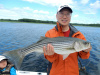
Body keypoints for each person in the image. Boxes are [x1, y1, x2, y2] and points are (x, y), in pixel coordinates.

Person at [43, 5, 92, 75]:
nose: (64, 17)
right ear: (56, 16)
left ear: (70, 17)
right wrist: (50, 55)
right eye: (61, 13)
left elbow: (84, 57)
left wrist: (85, 51)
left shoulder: (78, 35)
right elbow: (49, 59)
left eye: (67, 14)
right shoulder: (49, 33)